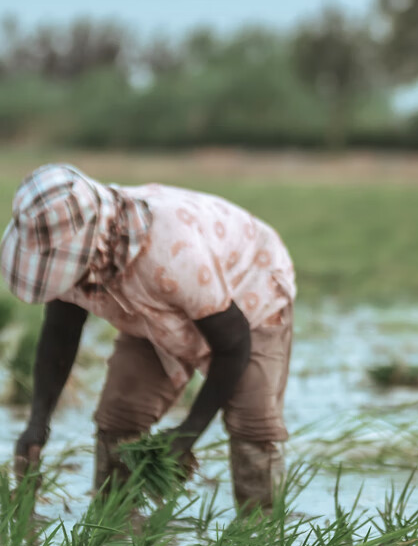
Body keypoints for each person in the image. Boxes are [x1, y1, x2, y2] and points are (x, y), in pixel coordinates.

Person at [2, 164, 295, 512]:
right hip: (149, 311)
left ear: (92, 245)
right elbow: (59, 336)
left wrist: (188, 432)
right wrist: (38, 423)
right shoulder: (76, 254)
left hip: (248, 291)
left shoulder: (174, 252)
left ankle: (259, 532)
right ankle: (115, 524)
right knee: (120, 413)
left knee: (253, 420)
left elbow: (233, 343)